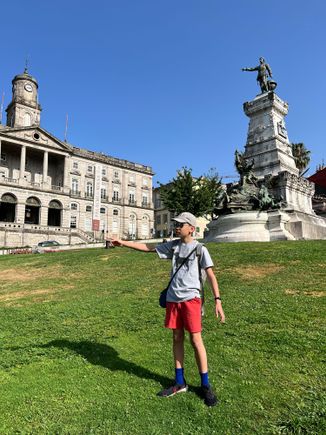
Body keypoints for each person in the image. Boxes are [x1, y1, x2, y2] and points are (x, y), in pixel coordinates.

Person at [107, 212, 225, 407]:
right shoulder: (173, 246)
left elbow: (211, 276)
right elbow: (148, 248)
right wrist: (123, 243)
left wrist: (218, 300)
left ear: (191, 228)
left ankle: (205, 385)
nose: (176, 226)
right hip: (173, 299)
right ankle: (180, 382)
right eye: (176, 223)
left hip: (191, 300)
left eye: (180, 224)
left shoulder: (200, 249)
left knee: (196, 340)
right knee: (177, 337)